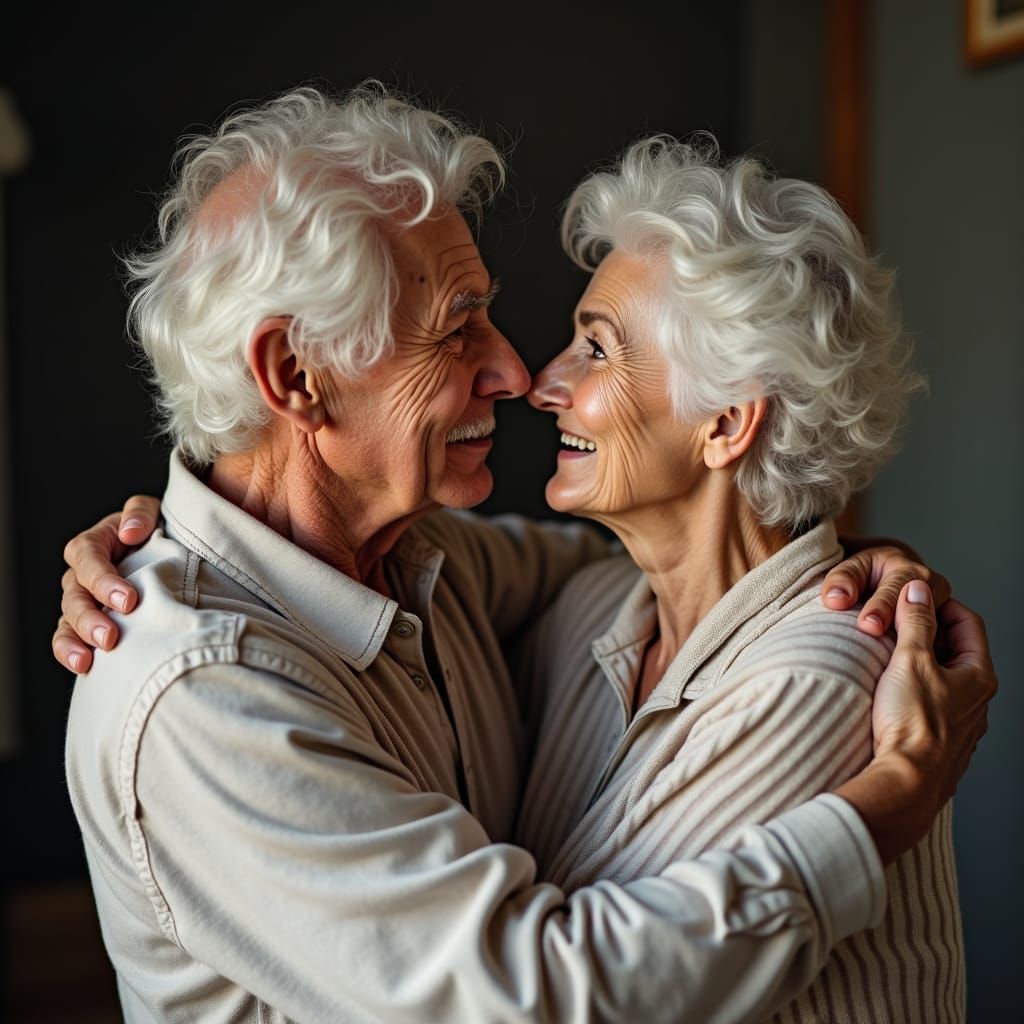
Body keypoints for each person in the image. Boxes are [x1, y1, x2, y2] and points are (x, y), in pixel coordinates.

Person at [54, 85, 995, 1023]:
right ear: (295, 375)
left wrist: (858, 561)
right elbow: (535, 997)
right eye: (456, 325)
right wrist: (898, 791)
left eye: (594, 348)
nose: (515, 372)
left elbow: (716, 578)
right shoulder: (199, 686)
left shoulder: (433, 569)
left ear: (727, 420)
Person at [512, 136, 971, 1022]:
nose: (543, 383)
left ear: (726, 422)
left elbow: (581, 994)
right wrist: (175, 537)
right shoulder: (588, 611)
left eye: (597, 351)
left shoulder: (826, 677)